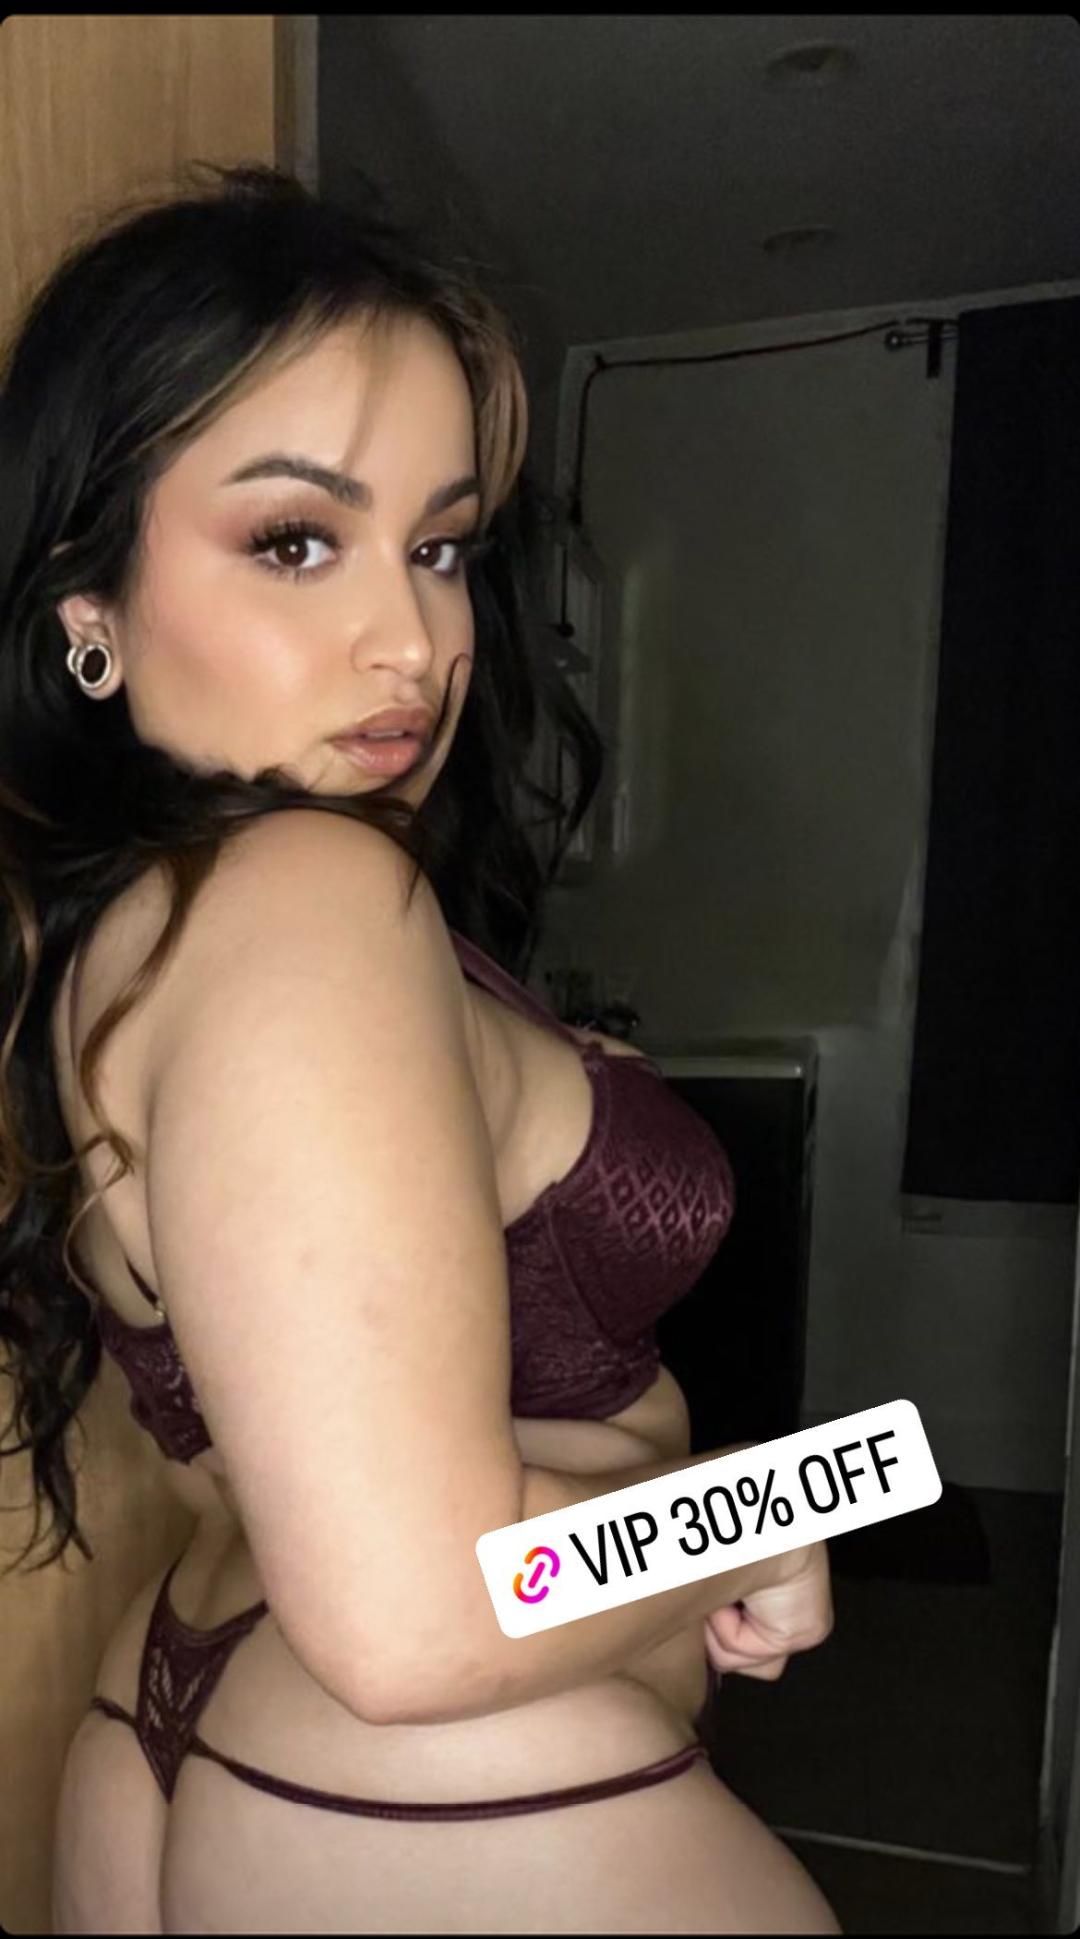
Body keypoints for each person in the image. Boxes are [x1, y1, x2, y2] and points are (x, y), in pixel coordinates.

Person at [0, 162, 840, 1933]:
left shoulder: (129, 935)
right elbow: (412, 1615)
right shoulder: (307, 899)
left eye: (440, 547)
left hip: (183, 1714)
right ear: (88, 610)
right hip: (434, 1780)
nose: (415, 640)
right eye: (294, 541)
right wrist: (750, 1517)